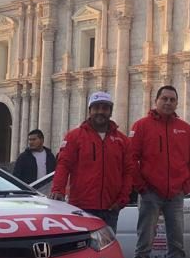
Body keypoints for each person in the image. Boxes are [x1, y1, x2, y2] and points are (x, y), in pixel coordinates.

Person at [129, 85, 190, 258]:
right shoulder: (141, 126)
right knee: (144, 247)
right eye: (164, 99)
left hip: (175, 195)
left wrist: (186, 185)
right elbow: (131, 159)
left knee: (177, 245)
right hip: (150, 194)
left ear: (177, 103)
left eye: (172, 99)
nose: (168, 103)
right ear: (156, 100)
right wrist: (142, 187)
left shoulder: (184, 129)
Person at [51, 91, 132, 230]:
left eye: (105, 108)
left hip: (110, 209)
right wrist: (58, 190)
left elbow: (128, 171)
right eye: (96, 107)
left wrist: (122, 200)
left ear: (110, 111)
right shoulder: (74, 136)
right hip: (81, 208)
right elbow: (63, 165)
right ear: (89, 111)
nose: (100, 111)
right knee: (81, 243)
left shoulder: (122, 140)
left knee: (107, 243)